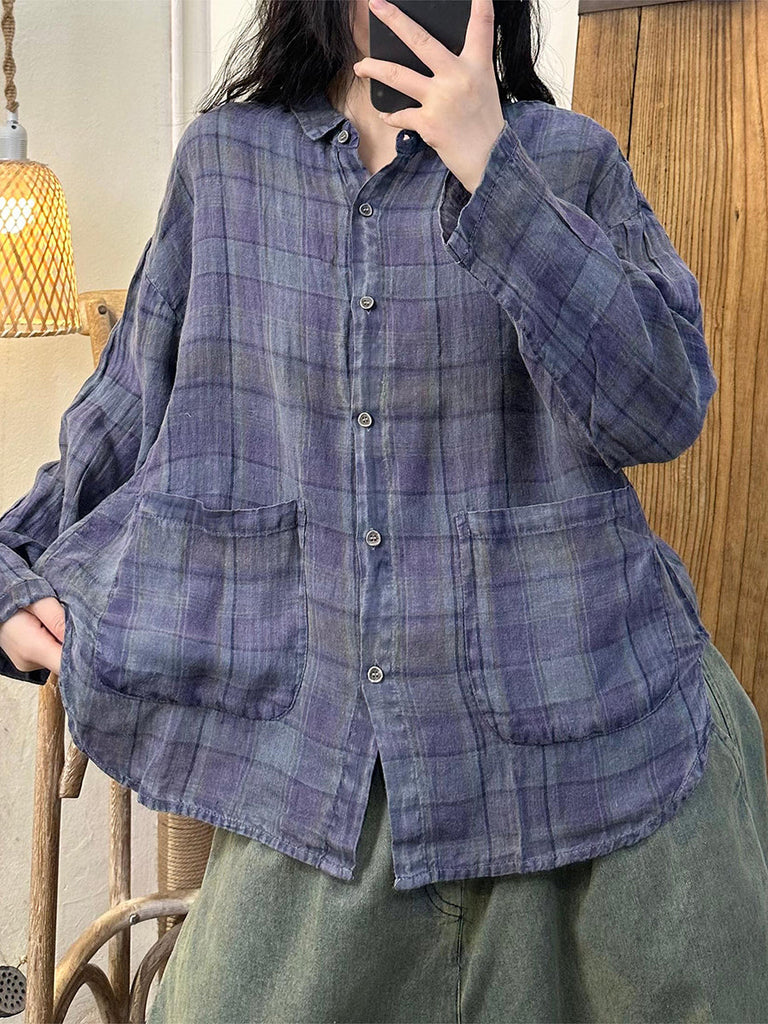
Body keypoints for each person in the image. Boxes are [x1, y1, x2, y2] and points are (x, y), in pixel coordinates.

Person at [2, 0, 768, 1020]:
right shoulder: (227, 166)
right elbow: (130, 411)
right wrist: (8, 573)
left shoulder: (568, 159)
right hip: (323, 779)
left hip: (604, 764)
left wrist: (491, 168)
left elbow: (662, 408)